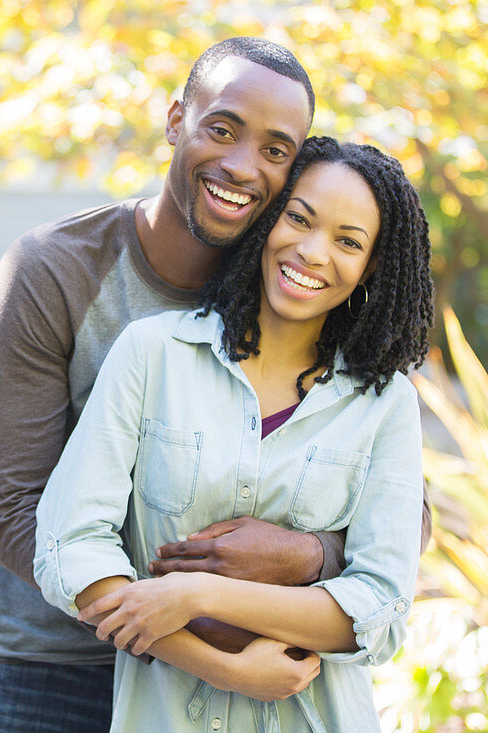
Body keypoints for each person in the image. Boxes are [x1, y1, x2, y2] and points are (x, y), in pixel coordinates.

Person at [0, 37, 375, 732]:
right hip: (52, 676)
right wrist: (191, 628)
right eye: (221, 129)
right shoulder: (54, 271)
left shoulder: (301, 289)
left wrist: (311, 553)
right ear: (176, 119)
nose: (242, 165)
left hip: (234, 692)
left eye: (276, 150)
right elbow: (9, 511)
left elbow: (400, 511)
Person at [35, 136, 434, 730]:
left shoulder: (385, 402)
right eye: (299, 219)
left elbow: (379, 608)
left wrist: (199, 595)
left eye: (348, 242)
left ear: (371, 266)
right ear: (271, 219)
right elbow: (71, 549)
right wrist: (221, 667)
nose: (313, 252)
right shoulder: (154, 355)